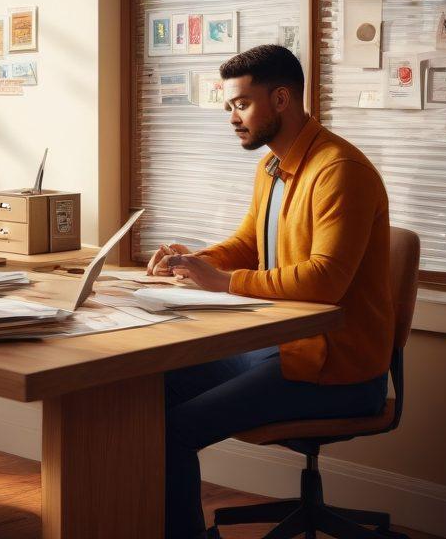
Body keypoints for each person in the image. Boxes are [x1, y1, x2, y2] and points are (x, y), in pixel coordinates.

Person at [148, 45, 393, 539]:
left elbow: (326, 282)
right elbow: (248, 243)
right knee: (149, 388)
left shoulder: (339, 170)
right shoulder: (272, 168)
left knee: (173, 431)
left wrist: (225, 282)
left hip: (334, 369)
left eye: (241, 104)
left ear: (281, 99)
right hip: (277, 350)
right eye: (228, 107)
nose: (231, 117)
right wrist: (194, 262)